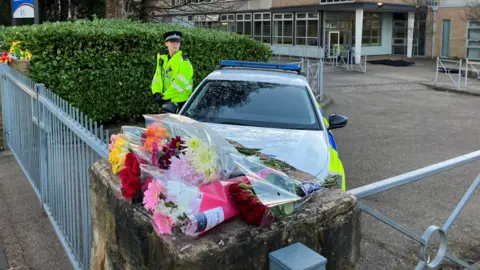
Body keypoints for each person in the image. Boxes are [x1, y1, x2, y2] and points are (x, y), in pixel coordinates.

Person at [151, 31, 194, 111]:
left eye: (178, 41)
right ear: (166, 43)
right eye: (172, 41)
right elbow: (157, 77)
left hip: (180, 103)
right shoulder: (163, 59)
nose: (176, 44)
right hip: (167, 101)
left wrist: (164, 97)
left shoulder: (184, 62)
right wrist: (156, 92)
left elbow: (180, 84)